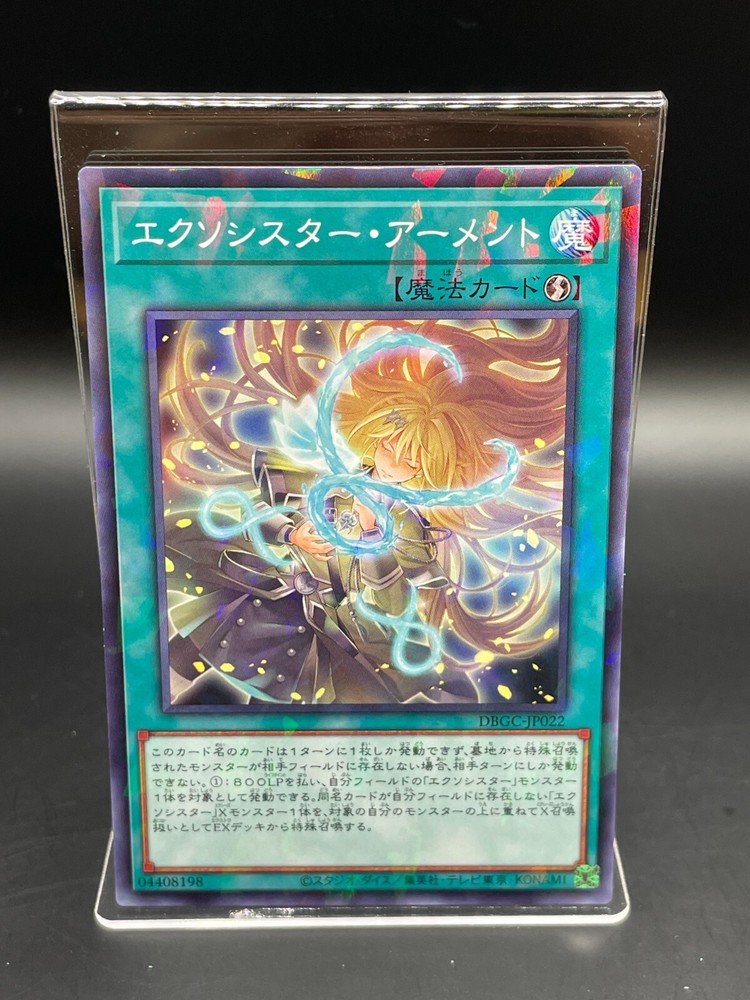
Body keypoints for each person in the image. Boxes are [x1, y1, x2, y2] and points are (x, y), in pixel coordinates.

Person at [160, 316, 569, 706]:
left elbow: (393, 604)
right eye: (388, 445)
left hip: (322, 622)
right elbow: (260, 510)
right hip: (271, 588)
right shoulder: (330, 480)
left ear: (427, 470)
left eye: (409, 460)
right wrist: (292, 534)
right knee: (196, 647)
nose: (392, 461)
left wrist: (376, 540)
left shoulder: (408, 528)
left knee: (280, 689)